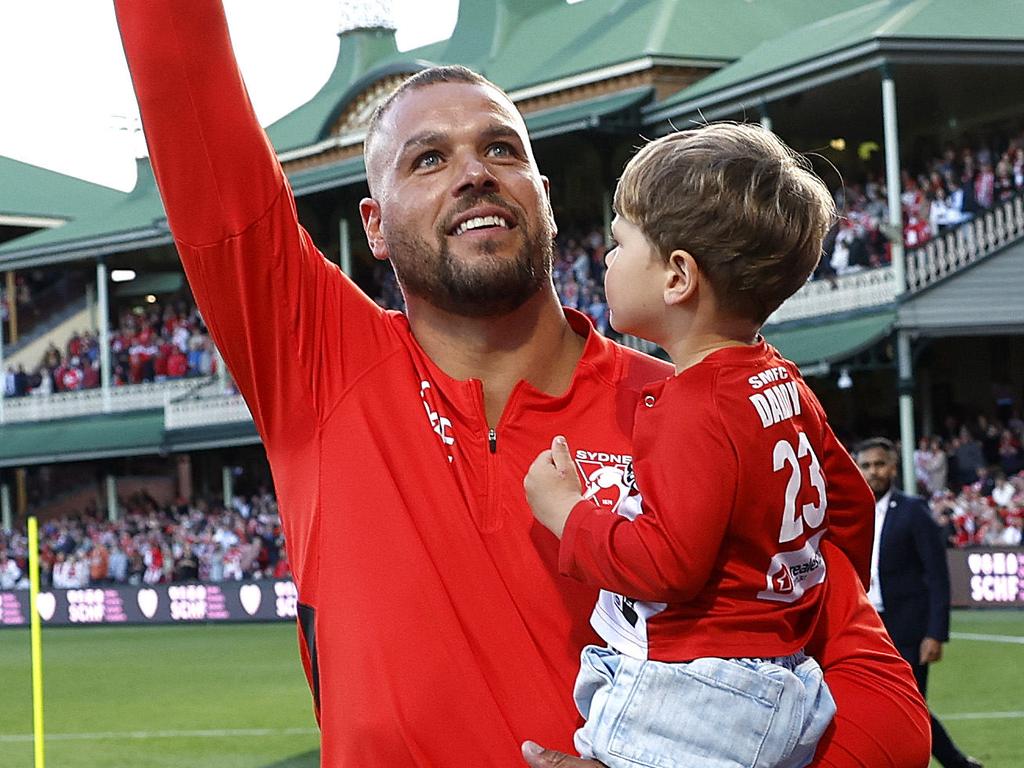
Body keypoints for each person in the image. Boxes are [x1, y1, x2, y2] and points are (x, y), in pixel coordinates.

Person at [114, 2, 929, 765]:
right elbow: (180, 73)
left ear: (541, 195)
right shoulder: (317, 366)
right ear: (375, 227)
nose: (474, 173)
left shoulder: (696, 404)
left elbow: (881, 700)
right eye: (428, 158)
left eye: (502, 149)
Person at [525, 125, 875, 768]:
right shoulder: (785, 382)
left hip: (700, 690)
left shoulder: (695, 405)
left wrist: (566, 512)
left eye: (619, 242)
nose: (604, 259)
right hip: (785, 675)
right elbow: (851, 509)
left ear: (678, 276)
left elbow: (667, 567)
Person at [855, 438, 983, 768]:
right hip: (864, 628)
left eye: (879, 464)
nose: (873, 472)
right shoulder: (850, 510)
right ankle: (958, 764)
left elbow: (937, 576)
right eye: (866, 465)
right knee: (877, 706)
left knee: (908, 707)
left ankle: (954, 763)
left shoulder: (912, 510)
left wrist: (936, 633)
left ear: (894, 468)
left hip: (908, 629)